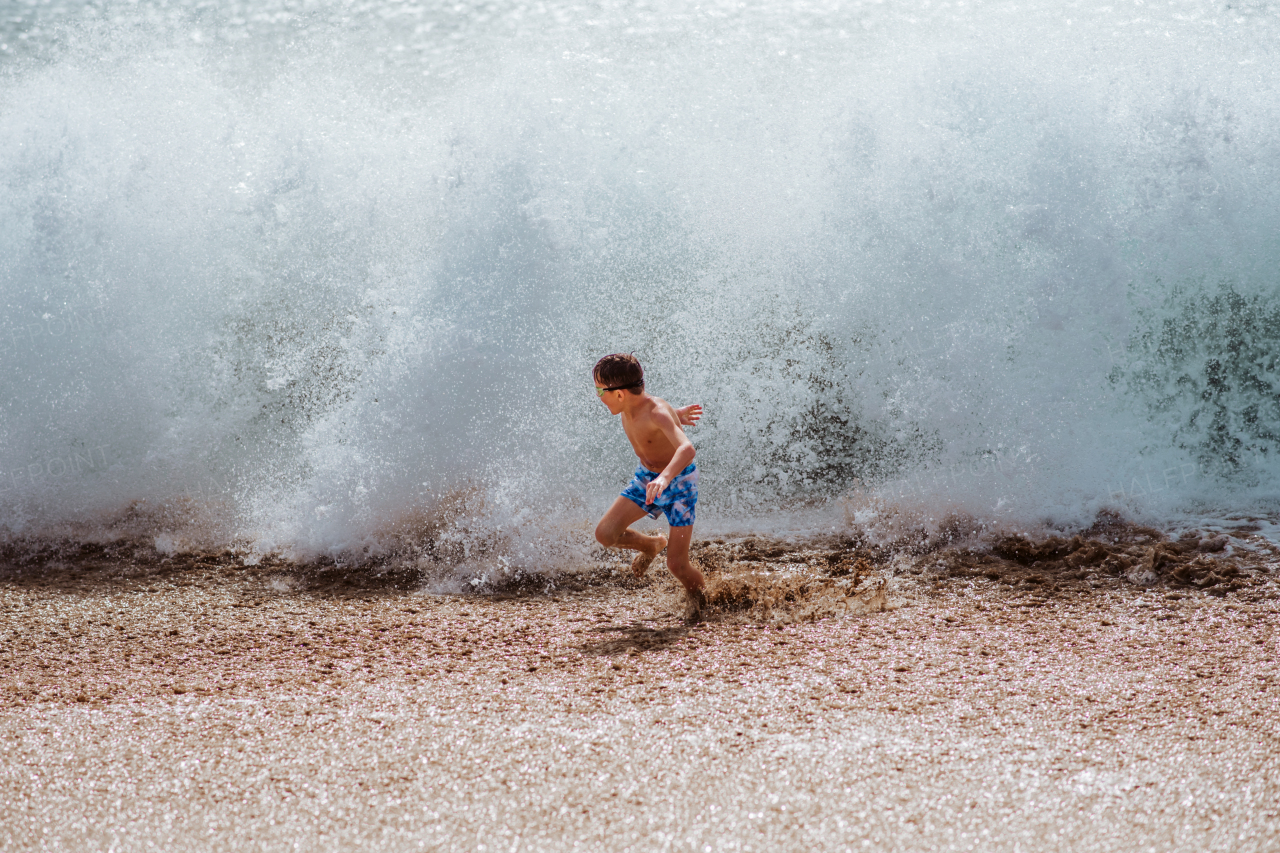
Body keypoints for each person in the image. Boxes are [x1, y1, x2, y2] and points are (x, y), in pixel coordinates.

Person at [592, 353, 708, 618]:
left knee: (677, 565)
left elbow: (687, 449)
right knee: (605, 534)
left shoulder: (655, 411)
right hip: (647, 478)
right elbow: (662, 418)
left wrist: (665, 477)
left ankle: (703, 606)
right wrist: (676, 415)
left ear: (619, 394)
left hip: (678, 484)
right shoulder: (633, 408)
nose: (598, 396)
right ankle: (650, 545)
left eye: (600, 390)